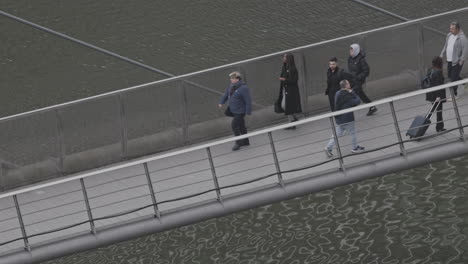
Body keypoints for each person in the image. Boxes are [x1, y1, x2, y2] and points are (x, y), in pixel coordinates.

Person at [324, 80, 364, 157]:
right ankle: (354, 148)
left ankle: (328, 147)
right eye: (348, 83)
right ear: (346, 86)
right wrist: (352, 92)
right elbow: (357, 101)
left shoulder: (337, 93)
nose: (350, 84)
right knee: (352, 132)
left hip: (339, 118)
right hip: (348, 118)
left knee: (337, 134)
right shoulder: (347, 95)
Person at [218, 71, 252, 151]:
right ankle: (246, 141)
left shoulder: (243, 88)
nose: (231, 80)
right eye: (230, 78)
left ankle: (238, 142)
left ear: (237, 79)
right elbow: (226, 94)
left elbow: (248, 100)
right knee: (241, 126)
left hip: (240, 111)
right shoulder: (231, 86)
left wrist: (248, 111)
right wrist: (221, 102)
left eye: (232, 78)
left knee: (234, 125)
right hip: (234, 110)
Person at [440, 21, 468, 101]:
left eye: (452, 29)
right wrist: (442, 54)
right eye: (450, 28)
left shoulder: (462, 38)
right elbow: (445, 46)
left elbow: (465, 50)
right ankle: (465, 83)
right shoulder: (449, 35)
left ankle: (454, 95)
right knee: (451, 76)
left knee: (453, 79)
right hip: (449, 60)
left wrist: (461, 60)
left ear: (458, 29)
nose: (450, 30)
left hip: (457, 61)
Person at [348, 43, 377, 116]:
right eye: (350, 50)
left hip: (358, 80)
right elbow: (350, 69)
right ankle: (372, 106)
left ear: (355, 51)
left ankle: (349, 109)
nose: (350, 52)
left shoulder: (361, 60)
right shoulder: (350, 58)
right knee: (360, 94)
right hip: (352, 79)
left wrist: (359, 77)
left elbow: (366, 71)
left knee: (353, 92)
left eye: (351, 50)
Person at [276, 53, 302, 129]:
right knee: (286, 106)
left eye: (285, 57)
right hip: (285, 89)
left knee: (285, 106)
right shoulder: (284, 67)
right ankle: (293, 119)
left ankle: (292, 122)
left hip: (291, 91)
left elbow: (294, 80)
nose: (283, 58)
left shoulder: (293, 69)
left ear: (288, 59)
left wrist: (284, 79)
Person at [424, 56, 446, 132]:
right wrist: (438, 96)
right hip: (437, 95)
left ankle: (439, 126)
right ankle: (439, 127)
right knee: (439, 111)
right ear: (440, 63)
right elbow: (438, 85)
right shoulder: (439, 72)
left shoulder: (430, 69)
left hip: (430, 94)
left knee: (433, 110)